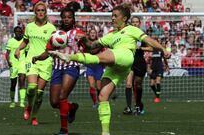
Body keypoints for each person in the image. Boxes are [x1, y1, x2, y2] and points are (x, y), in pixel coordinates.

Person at [49, 4, 170, 135]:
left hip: (125, 56)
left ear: (124, 18)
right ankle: (105, 132)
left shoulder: (131, 29)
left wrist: (162, 49)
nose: (112, 18)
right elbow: (91, 46)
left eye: (115, 16)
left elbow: (149, 40)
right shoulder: (111, 35)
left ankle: (70, 57)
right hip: (117, 67)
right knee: (102, 96)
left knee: (102, 57)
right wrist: (84, 39)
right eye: (111, 16)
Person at [32, 8, 82, 135]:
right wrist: (38, 57)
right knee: (54, 102)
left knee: (62, 96)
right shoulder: (55, 34)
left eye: (69, 17)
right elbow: (47, 52)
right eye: (64, 17)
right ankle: (72, 107)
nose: (66, 19)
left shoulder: (78, 33)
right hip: (58, 68)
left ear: (73, 19)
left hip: (71, 66)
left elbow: (88, 47)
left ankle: (64, 130)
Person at [14, 1, 56, 126]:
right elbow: (25, 41)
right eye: (38, 10)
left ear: (46, 12)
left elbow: (55, 45)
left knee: (39, 93)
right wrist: (18, 48)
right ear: (35, 12)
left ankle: (34, 116)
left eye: (43, 10)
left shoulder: (51, 28)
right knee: (32, 87)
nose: (41, 12)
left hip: (46, 61)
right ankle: (29, 106)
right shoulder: (29, 27)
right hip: (31, 60)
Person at [123, 16, 152, 115]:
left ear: (139, 23)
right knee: (128, 84)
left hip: (139, 61)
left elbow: (151, 48)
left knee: (138, 84)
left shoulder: (142, 36)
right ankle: (128, 107)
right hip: (129, 60)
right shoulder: (127, 34)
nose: (135, 24)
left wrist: (140, 48)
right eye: (133, 22)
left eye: (136, 22)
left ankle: (138, 105)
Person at [6, 26, 26, 108]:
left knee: (22, 80)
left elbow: (28, 52)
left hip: (22, 63)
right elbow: (7, 53)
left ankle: (22, 102)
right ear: (14, 32)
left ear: (22, 32)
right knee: (13, 83)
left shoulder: (24, 41)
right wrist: (8, 61)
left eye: (19, 31)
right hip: (13, 64)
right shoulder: (11, 41)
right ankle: (12, 101)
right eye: (16, 31)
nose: (18, 33)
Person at [85, 29, 104, 108]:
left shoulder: (99, 43)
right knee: (92, 86)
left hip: (98, 66)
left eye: (94, 33)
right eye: (91, 33)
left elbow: (103, 53)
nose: (92, 34)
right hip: (90, 66)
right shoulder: (86, 43)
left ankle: (100, 101)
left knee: (99, 87)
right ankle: (95, 103)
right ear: (89, 34)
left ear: (96, 34)